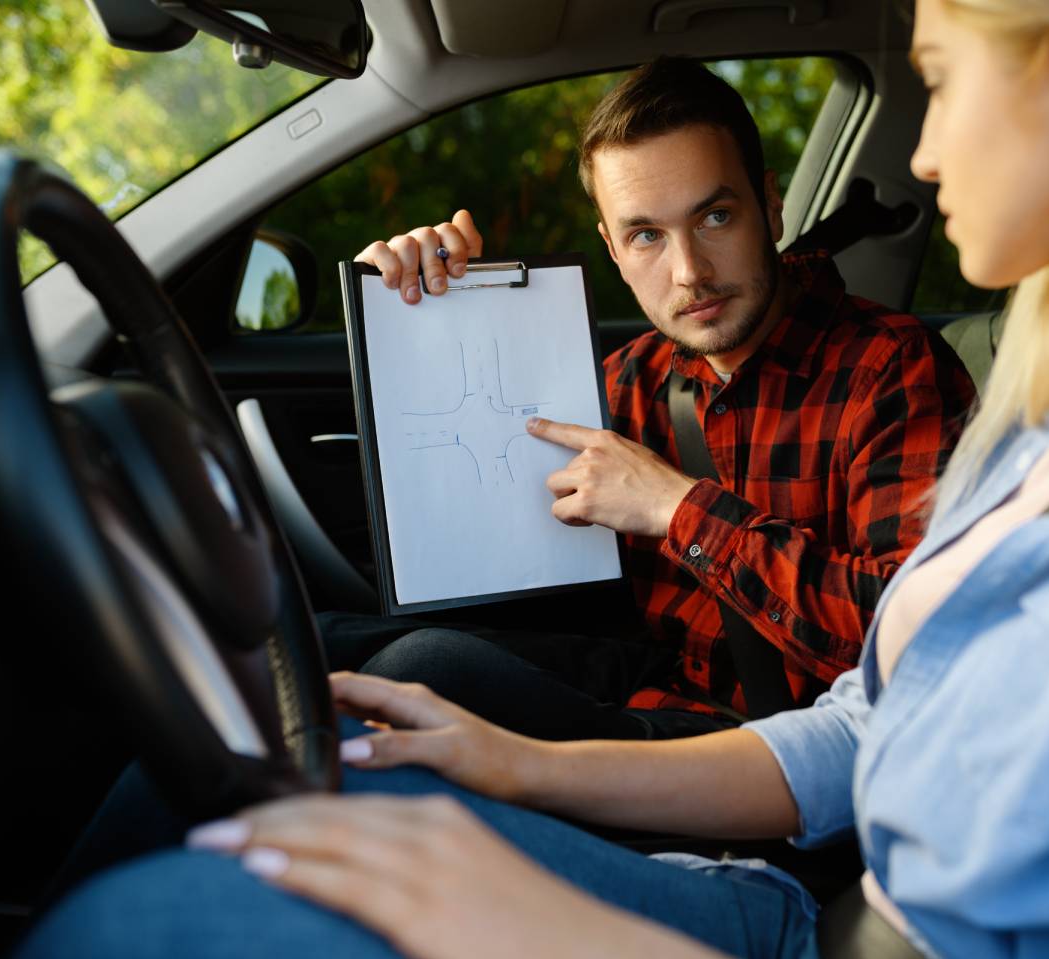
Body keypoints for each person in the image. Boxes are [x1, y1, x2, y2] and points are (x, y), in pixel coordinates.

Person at [0, 0, 1049, 959]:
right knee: (358, 708)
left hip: (836, 933)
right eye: (643, 238)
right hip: (799, 893)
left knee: (158, 931)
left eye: (935, 78)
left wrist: (571, 941)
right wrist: (508, 761)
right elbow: (871, 725)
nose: (925, 149)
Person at [325, 56, 972, 741]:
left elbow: (910, 635)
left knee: (420, 668)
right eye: (646, 236)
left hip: (785, 750)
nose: (689, 272)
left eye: (716, 216)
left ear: (771, 207)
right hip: (655, 688)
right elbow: (467, 555)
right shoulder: (625, 381)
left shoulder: (891, 367)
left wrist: (676, 507)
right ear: (611, 248)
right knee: (327, 645)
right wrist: (416, 312)